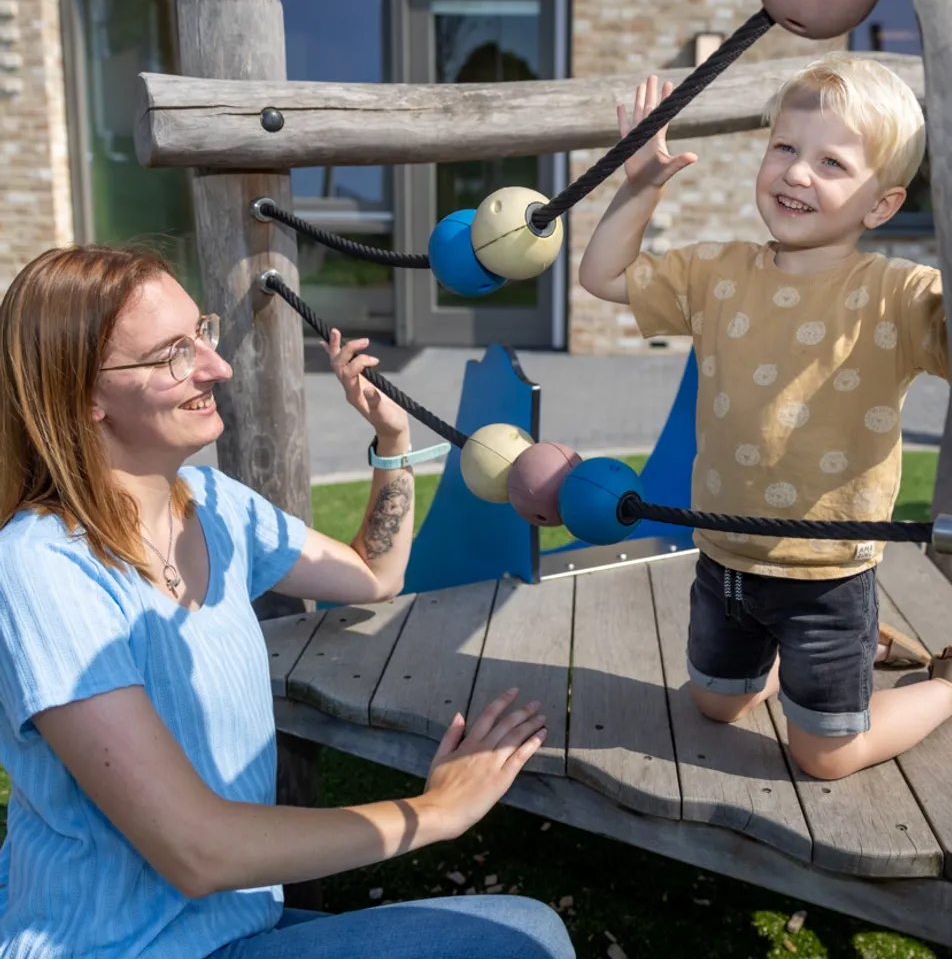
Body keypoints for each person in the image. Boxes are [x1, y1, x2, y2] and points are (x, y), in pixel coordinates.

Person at [0, 245, 574, 959]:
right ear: (82, 393)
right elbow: (197, 850)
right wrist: (434, 813)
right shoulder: (43, 567)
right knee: (524, 939)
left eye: (201, 332)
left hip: (237, 929)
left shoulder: (213, 506)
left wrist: (391, 441)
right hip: (117, 948)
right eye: (171, 355)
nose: (217, 367)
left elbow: (373, 574)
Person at [579, 54, 952, 781]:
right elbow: (603, 277)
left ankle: (944, 683)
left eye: (831, 162)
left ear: (881, 205)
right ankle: (846, 654)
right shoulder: (717, 273)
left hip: (826, 578)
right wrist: (640, 187)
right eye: (784, 147)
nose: (796, 173)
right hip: (722, 558)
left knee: (825, 756)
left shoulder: (900, 296)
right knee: (715, 705)